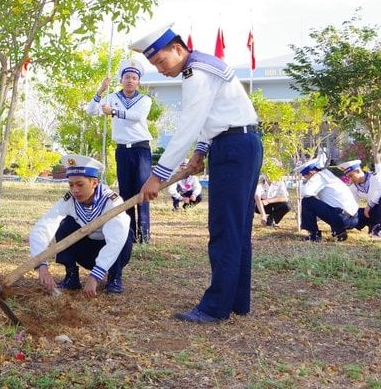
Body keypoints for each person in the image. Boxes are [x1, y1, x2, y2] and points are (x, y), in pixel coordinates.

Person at [129, 22, 262, 324]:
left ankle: (215, 307)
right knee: (237, 229)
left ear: (177, 49)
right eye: (154, 65)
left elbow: (189, 125)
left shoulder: (196, 74)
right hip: (239, 143)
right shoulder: (202, 66)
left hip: (233, 147)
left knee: (224, 229)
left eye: (161, 61)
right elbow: (212, 118)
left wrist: (156, 176)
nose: (160, 70)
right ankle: (236, 301)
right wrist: (201, 152)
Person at [29, 154, 134, 296]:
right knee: (65, 225)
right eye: (71, 185)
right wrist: (41, 264)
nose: (75, 190)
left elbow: (115, 241)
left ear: (94, 183)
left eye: (80, 184)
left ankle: (114, 278)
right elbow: (44, 226)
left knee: (124, 231)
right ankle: (71, 277)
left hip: (115, 254)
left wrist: (95, 276)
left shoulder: (112, 202)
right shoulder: (69, 200)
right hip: (86, 253)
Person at [86, 58, 152, 243]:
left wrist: (114, 112)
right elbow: (91, 111)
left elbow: (137, 117)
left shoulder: (144, 100)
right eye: (127, 77)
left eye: (134, 77)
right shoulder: (112, 98)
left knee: (143, 190)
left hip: (140, 148)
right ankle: (129, 234)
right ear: (121, 80)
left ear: (138, 81)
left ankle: (144, 234)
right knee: (126, 192)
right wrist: (101, 90)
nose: (130, 80)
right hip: (122, 150)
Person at [296, 158, 360, 242]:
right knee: (329, 204)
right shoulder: (327, 175)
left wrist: (303, 182)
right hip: (353, 218)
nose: (306, 179)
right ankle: (339, 232)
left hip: (342, 218)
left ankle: (314, 235)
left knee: (307, 201)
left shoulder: (318, 176)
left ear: (311, 173)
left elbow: (306, 192)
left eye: (305, 177)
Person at [337, 159, 381, 238]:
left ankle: (377, 228)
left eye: (351, 176)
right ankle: (373, 225)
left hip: (377, 207)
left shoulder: (376, 177)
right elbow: (353, 203)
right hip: (372, 211)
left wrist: (369, 205)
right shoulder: (354, 187)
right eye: (348, 177)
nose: (350, 179)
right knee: (355, 214)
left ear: (357, 171)